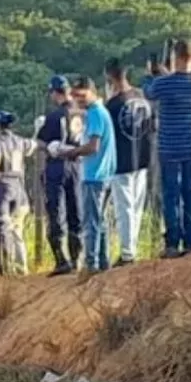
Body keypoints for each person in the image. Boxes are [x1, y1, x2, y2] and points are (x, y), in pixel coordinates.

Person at [144, 39, 191, 257]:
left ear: (174, 57)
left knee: (171, 195)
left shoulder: (163, 83)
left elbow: (148, 93)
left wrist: (153, 74)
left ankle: (172, 242)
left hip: (168, 146)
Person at [62, 77, 117, 274]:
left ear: (92, 92)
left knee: (91, 221)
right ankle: (103, 261)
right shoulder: (98, 113)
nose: (79, 100)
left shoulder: (95, 113)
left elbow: (93, 147)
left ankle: (91, 263)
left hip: (95, 175)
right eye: (76, 96)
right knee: (99, 221)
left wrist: (70, 152)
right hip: (104, 174)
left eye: (82, 95)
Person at [104, 58, 155, 266]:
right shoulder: (142, 96)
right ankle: (131, 248)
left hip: (121, 162)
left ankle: (127, 253)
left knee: (124, 209)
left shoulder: (113, 105)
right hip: (142, 158)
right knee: (136, 206)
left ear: (109, 77)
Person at [37, 75, 86, 275]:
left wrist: (48, 146)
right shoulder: (82, 114)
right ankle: (77, 259)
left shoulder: (54, 116)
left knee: (56, 211)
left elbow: (40, 143)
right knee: (76, 210)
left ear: (55, 93)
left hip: (57, 165)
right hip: (77, 164)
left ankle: (61, 259)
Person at [0, 111, 36, 276]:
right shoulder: (20, 141)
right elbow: (33, 146)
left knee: (0, 228)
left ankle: (3, 266)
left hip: (3, 189)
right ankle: (22, 267)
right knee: (17, 231)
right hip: (19, 190)